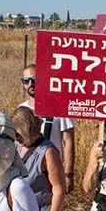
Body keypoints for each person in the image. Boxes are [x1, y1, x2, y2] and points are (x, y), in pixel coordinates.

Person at [21, 64, 75, 194]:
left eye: (34, 79)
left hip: (52, 173)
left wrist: (68, 174)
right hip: (26, 172)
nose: (30, 84)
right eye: (26, 81)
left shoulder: (59, 107)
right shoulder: (21, 110)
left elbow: (68, 141)